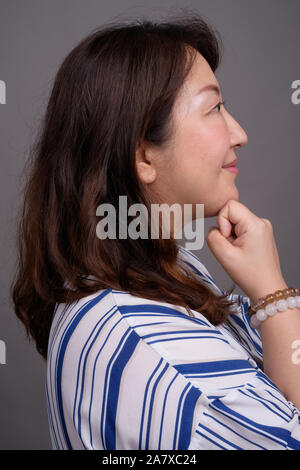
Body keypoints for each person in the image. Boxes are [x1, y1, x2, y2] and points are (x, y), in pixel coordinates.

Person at [11, 14, 300, 450]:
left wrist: (266, 293)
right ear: (143, 155)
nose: (239, 134)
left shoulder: (157, 271)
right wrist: (274, 294)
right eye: (215, 108)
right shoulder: (155, 349)